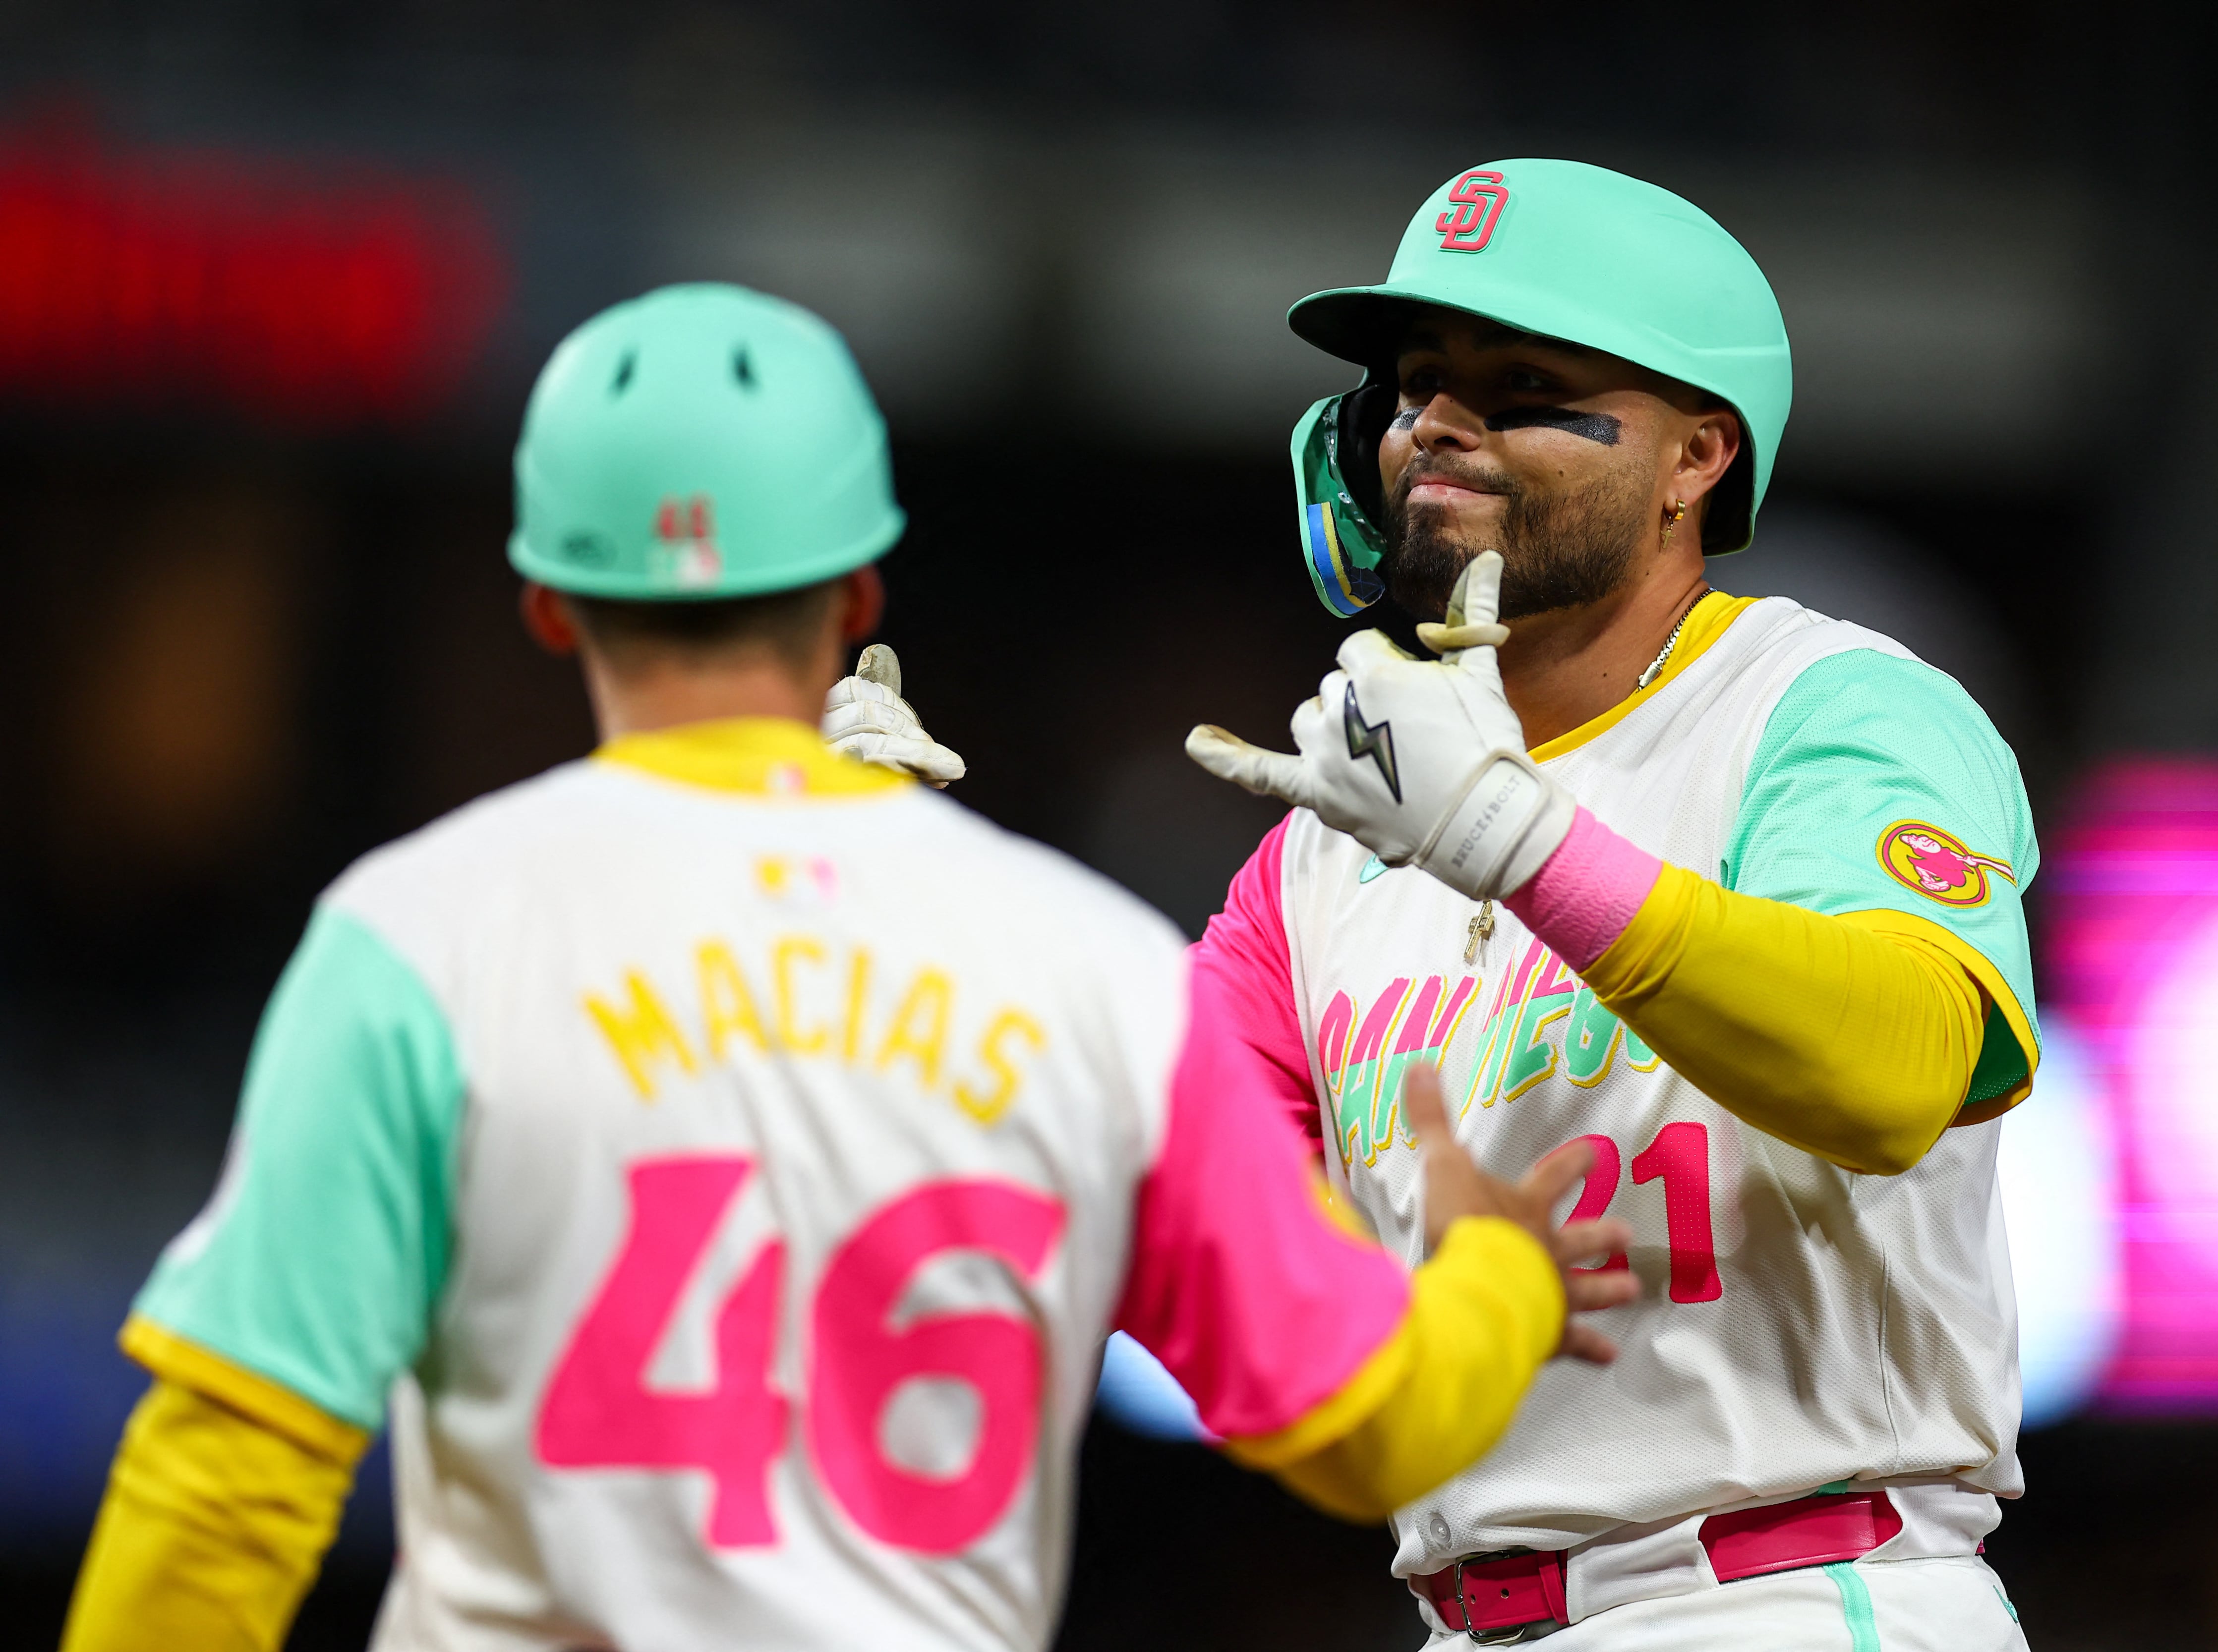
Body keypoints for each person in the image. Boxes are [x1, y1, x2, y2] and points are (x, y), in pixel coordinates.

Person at [56, 282, 1637, 1652]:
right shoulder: (1082, 962)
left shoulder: (420, 930)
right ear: (860, 592)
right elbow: (1362, 1427)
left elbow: (224, 1487)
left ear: (549, 606)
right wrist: (1492, 1272)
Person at [849, 161, 2040, 1648]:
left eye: (1525, 383)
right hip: (1460, 1617)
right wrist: (900, 925)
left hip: (1791, 1586)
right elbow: (1147, 1216)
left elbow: (1907, 1067)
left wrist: (1518, 842)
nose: (1438, 425)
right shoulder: (1329, 849)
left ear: (1696, 459)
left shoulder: (1822, 708)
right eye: (1416, 384)